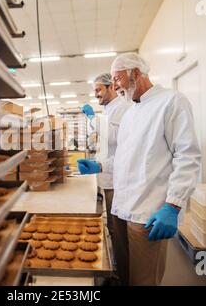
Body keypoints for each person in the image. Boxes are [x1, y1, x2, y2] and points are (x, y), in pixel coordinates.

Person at [77, 53, 201, 286]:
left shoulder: (172, 102)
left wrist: (173, 205)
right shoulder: (131, 111)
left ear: (136, 73)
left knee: (143, 279)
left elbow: (188, 156)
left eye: (117, 79)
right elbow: (125, 158)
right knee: (125, 273)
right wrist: (101, 165)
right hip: (123, 207)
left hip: (148, 212)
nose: (115, 86)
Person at [79, 73, 130, 284]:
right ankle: (118, 268)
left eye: (99, 89)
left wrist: (93, 119)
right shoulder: (109, 109)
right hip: (108, 174)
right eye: (94, 90)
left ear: (111, 87)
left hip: (117, 178)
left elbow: (115, 136)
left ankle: (124, 275)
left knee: (118, 230)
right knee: (112, 227)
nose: (96, 94)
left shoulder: (122, 108)